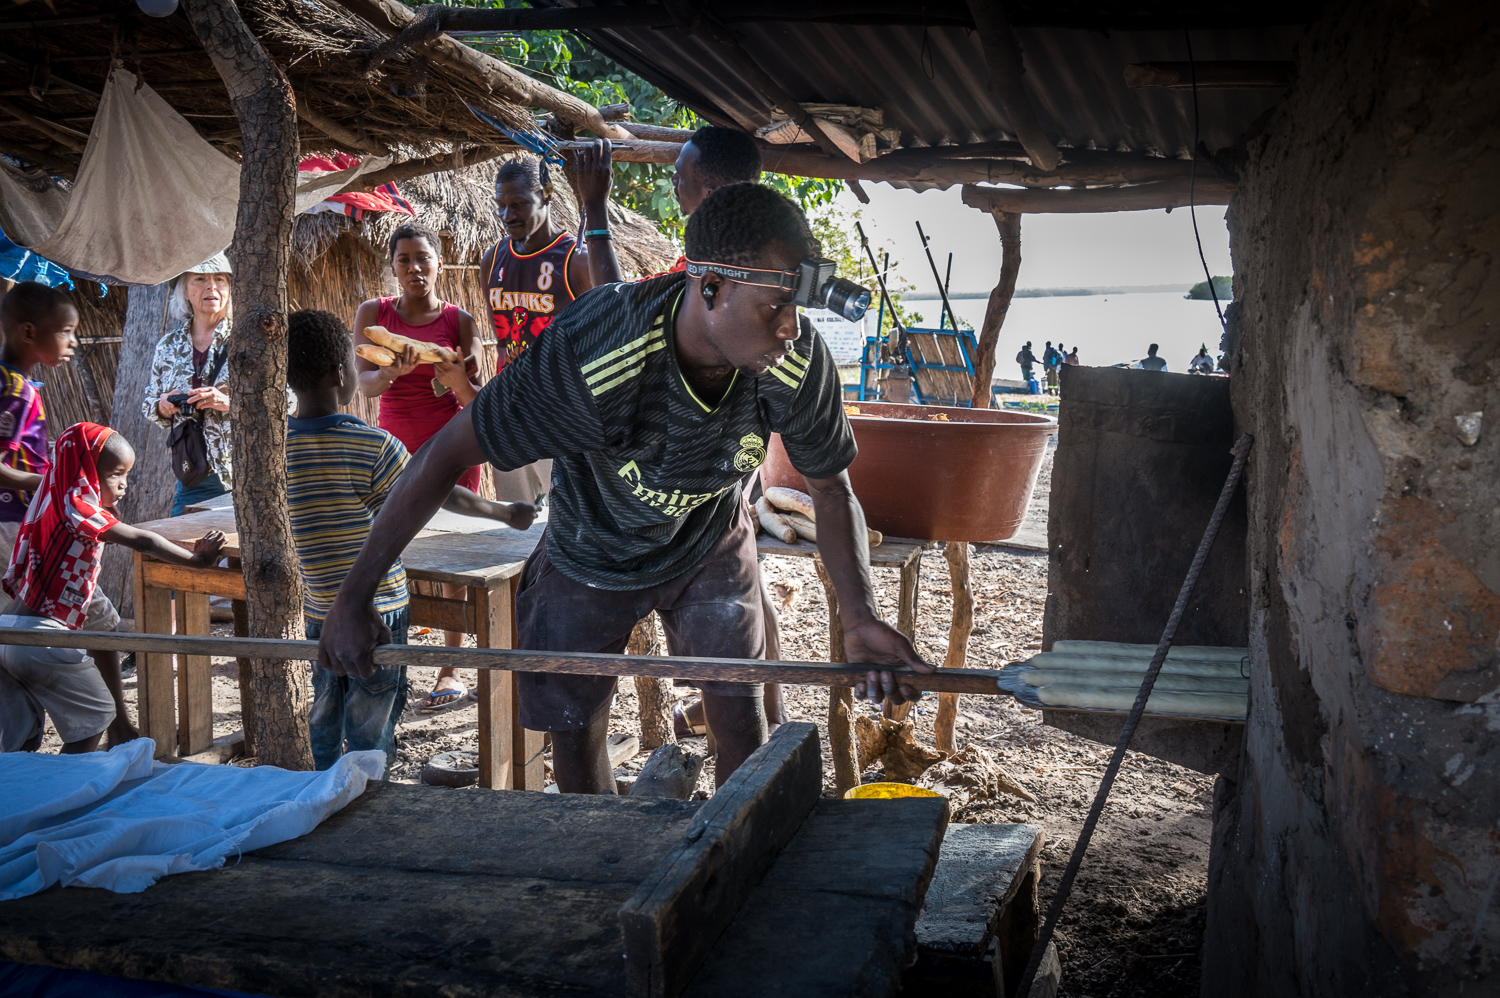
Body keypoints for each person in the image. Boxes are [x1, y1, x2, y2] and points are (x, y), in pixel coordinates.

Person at [317, 183, 933, 794]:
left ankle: (734, 851)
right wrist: (352, 599)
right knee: (575, 729)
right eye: (774, 306)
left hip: (707, 539)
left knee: (740, 719)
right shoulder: (596, 350)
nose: (792, 328)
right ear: (709, 286)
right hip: (590, 545)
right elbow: (442, 457)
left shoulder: (793, 363)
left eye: (796, 306)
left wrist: (860, 617)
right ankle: (602, 857)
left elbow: (830, 490)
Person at [574, 125, 788, 738]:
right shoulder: (753, 252)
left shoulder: (717, 264)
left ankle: (756, 718)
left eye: (680, 177)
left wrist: (594, 212)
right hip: (729, 449)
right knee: (745, 578)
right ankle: (761, 714)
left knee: (727, 575)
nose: (673, 187)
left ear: (714, 185)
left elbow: (620, 312)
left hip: (707, 455)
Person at [285, 310, 535, 771]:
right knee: (372, 720)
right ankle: (369, 795)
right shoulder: (373, 446)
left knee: (322, 713)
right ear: (341, 373)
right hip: (379, 609)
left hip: (318, 609)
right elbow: (438, 490)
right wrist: (506, 512)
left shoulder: (276, 447)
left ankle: (320, 790)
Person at [0, 423, 225, 753]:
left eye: (127, 476)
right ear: (86, 472)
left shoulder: (51, 495)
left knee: (21, 743)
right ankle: (68, 789)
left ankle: (23, 799)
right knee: (93, 721)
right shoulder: (80, 508)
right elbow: (141, 539)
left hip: (8, 632)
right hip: (40, 640)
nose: (123, 485)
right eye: (115, 474)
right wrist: (197, 560)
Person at [353, 222, 487, 714]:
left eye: (423, 258)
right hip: (392, 453)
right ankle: (392, 664)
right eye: (404, 259)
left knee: (454, 559)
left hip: (454, 448)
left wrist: (452, 376)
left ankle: (451, 668)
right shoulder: (374, 315)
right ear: (392, 265)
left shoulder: (459, 320)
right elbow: (364, 386)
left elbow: (475, 395)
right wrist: (392, 371)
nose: (415, 268)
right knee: (389, 553)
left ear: (439, 263)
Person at [0, 282, 136, 748]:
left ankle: (23, 747)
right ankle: (107, 726)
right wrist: (41, 483)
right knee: (91, 623)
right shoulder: (11, 390)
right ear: (28, 332)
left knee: (17, 638)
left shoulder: (21, 385)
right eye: (66, 331)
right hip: (18, 532)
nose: (74, 341)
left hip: (24, 528)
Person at [144, 254, 236, 516]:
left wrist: (228, 403)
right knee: (184, 550)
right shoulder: (168, 346)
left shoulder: (248, 339)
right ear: (184, 290)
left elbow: (287, 401)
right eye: (200, 279)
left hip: (245, 472)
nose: (212, 287)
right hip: (195, 471)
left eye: (220, 279)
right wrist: (163, 406)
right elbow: (148, 403)